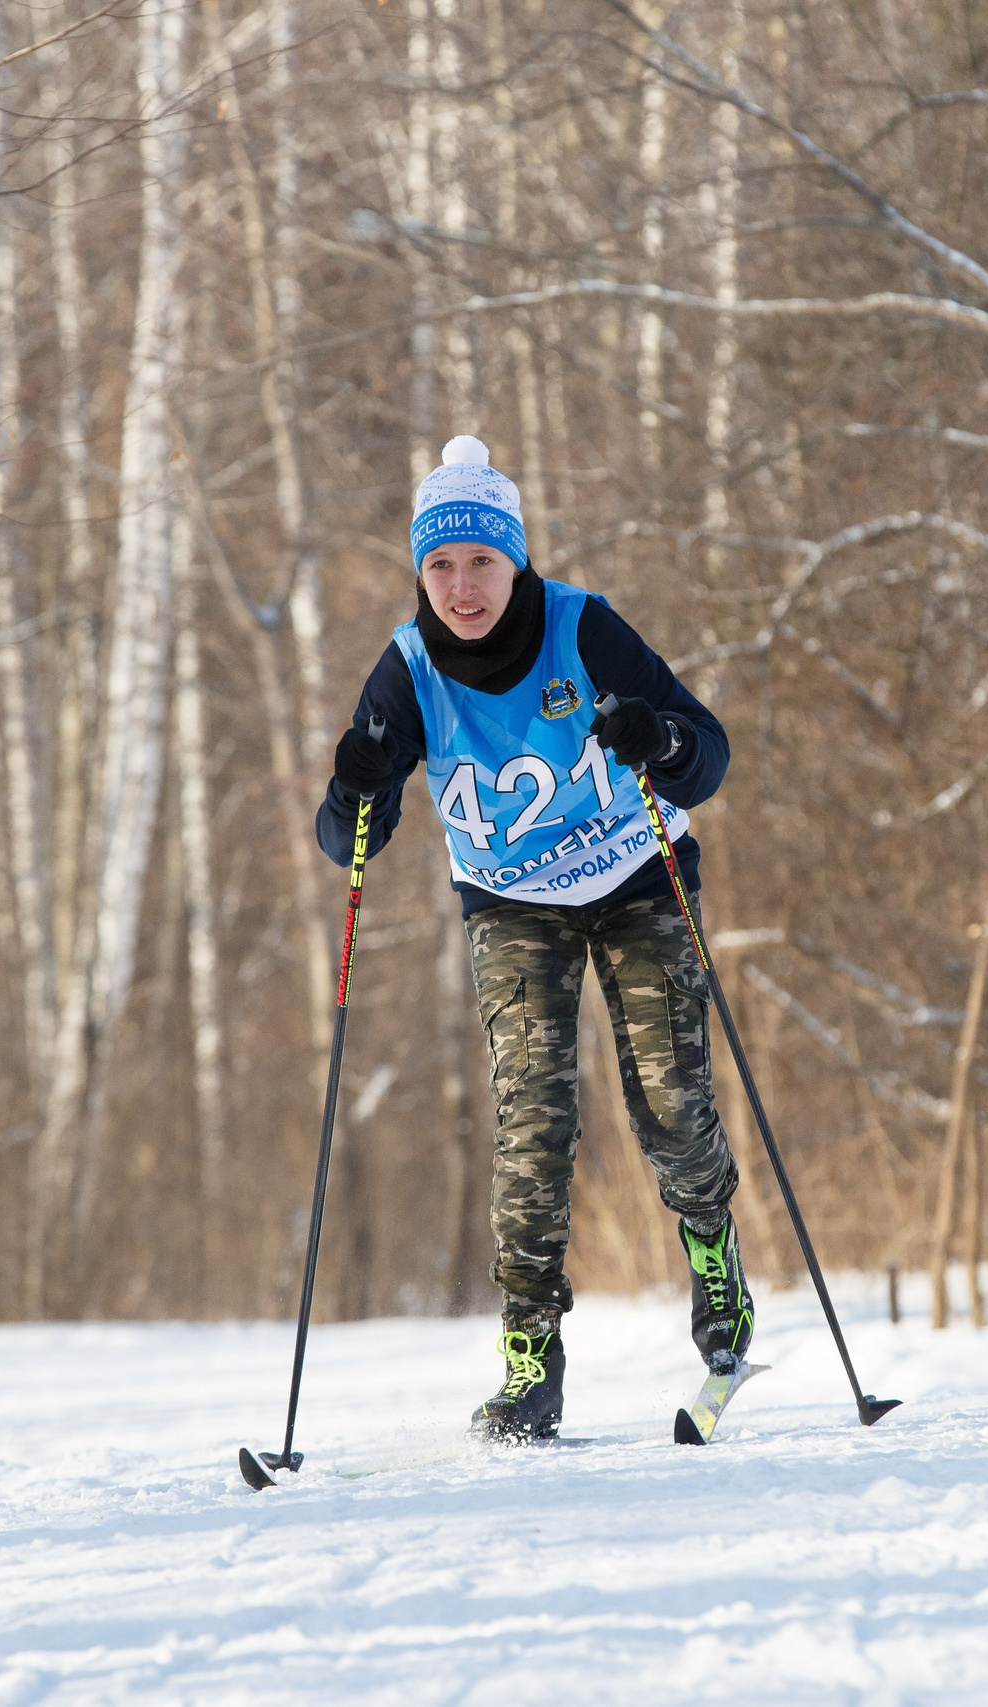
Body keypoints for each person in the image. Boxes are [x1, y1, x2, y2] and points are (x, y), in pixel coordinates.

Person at [316, 435, 750, 1439]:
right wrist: (355, 784)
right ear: (420, 572)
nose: (462, 587)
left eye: (481, 563)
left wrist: (660, 738)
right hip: (512, 906)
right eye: (440, 566)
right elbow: (346, 845)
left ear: (515, 560)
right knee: (530, 1127)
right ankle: (530, 1357)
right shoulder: (408, 667)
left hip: (636, 873)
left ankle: (714, 1264)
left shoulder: (581, 628)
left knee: (671, 1106)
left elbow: (706, 758)